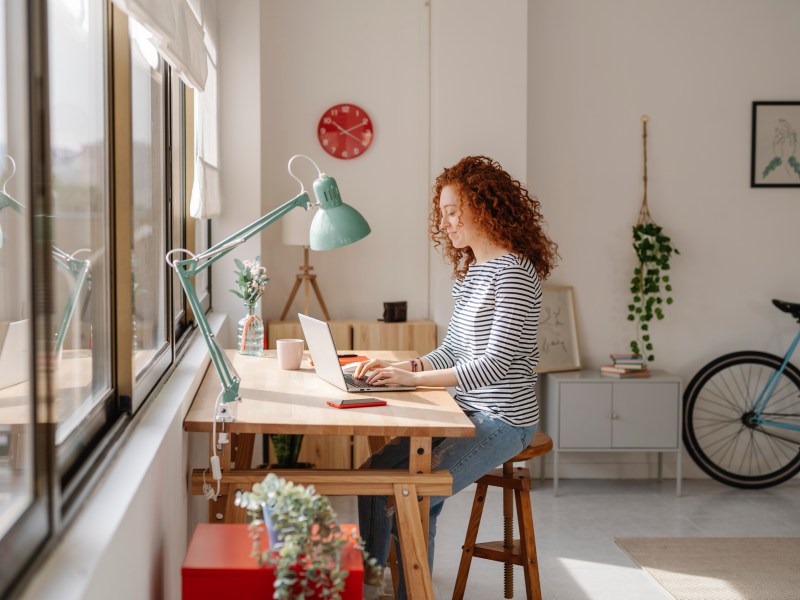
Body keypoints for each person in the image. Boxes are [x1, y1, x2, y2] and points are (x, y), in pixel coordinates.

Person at [354, 155, 559, 599]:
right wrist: (402, 369)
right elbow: (454, 351)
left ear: (484, 208)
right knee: (374, 475)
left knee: (416, 495)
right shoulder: (470, 273)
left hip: (504, 419)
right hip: (464, 408)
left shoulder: (516, 274)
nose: (445, 224)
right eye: (442, 214)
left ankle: (414, 592)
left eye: (452, 212)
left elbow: (494, 367)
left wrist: (411, 382)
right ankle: (372, 581)